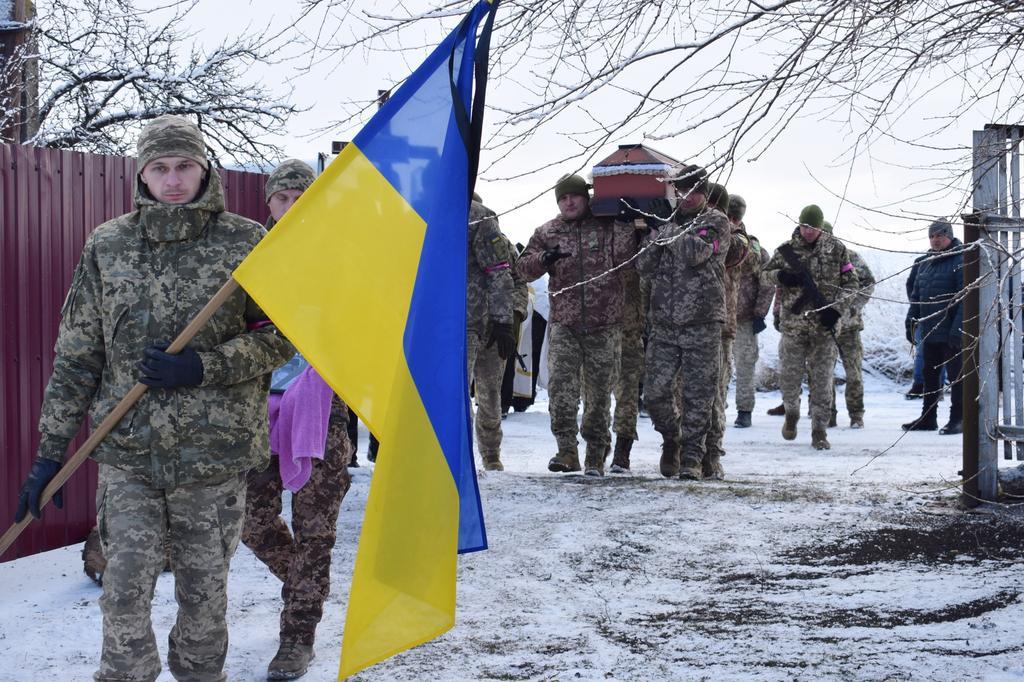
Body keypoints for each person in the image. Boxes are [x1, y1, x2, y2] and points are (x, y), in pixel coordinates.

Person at [12, 115, 294, 682]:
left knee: (203, 601)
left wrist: (202, 366)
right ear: (141, 174)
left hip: (214, 457)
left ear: (203, 170)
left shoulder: (245, 242)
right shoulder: (108, 244)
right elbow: (78, 355)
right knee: (121, 595)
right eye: (159, 168)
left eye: (184, 166)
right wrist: (49, 454)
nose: (172, 180)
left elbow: (281, 337)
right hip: (128, 456)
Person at [240, 159, 353, 679]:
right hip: (260, 406)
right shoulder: (249, 260)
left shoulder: (344, 257)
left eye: (300, 197)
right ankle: (305, 587)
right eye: (281, 198)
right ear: (268, 205)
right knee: (252, 522)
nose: (290, 207)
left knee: (316, 531)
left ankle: (297, 636)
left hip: (324, 407)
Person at [517, 173, 641, 476]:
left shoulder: (608, 226)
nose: (568, 202)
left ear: (586, 198)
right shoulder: (547, 231)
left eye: (574, 196)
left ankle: (596, 455)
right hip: (565, 324)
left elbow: (629, 259)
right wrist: (544, 259)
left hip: (605, 325)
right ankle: (566, 450)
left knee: (598, 395)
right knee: (561, 389)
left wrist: (628, 222)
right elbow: (521, 268)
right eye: (562, 198)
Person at [638, 165, 732, 480]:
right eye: (681, 190)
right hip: (664, 322)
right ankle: (672, 439)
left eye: (694, 191)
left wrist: (663, 229)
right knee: (654, 393)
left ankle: (693, 458)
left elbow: (695, 252)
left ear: (704, 193)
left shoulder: (715, 221)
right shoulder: (668, 223)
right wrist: (653, 231)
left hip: (702, 321)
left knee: (699, 396)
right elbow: (644, 266)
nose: (687, 196)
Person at [763, 204, 858, 450]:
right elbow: (764, 274)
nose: (808, 231)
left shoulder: (837, 250)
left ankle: (819, 431)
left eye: (813, 227)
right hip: (793, 327)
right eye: (804, 226)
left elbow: (852, 282)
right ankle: (792, 413)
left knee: (822, 381)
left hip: (824, 330)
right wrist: (781, 277)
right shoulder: (786, 250)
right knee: (789, 377)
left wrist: (837, 310)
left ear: (820, 227)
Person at [467, 196, 525, 471]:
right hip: (463, 324)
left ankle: (491, 454)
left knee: (490, 394)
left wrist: (510, 319)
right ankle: (458, 452)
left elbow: (514, 281)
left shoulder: (500, 242)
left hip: (492, 329)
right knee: (456, 394)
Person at [703, 183, 748, 479]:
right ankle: (688, 452)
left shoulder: (741, 239)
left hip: (721, 328)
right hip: (687, 324)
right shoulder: (692, 229)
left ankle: (712, 456)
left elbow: (744, 253)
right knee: (685, 395)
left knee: (715, 395)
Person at [903, 219, 963, 434]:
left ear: (949, 235)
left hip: (952, 332)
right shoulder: (924, 263)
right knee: (930, 375)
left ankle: (958, 419)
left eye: (940, 235)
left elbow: (964, 299)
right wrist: (911, 321)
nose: (936, 240)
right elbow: (917, 296)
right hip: (930, 330)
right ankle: (928, 418)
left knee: (957, 377)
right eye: (932, 236)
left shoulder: (960, 259)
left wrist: (958, 331)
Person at [823, 221, 875, 429]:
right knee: (825, 372)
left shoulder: (849, 256)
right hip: (825, 326)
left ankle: (856, 414)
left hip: (850, 327)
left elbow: (868, 282)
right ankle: (829, 414)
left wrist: (853, 307)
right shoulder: (813, 260)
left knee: (853, 373)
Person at [730, 195, 774, 428]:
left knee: (745, 364)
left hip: (745, 319)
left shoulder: (752, 246)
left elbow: (767, 282)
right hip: (716, 318)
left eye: (734, 216)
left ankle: (744, 410)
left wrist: (759, 313)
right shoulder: (714, 241)